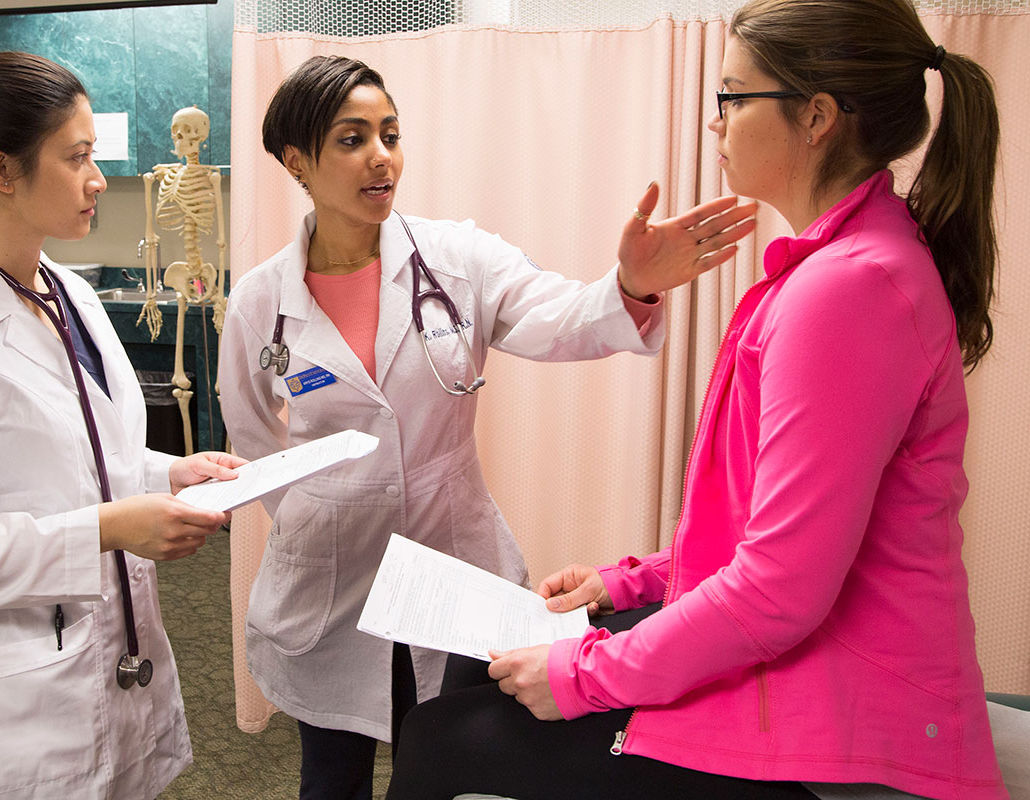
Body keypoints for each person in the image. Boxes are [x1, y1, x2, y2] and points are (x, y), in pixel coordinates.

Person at [387, 0, 1009, 798]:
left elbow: (781, 587)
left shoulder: (849, 290)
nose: (716, 122)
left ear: (815, 116)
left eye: (733, 97)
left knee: (443, 738)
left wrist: (583, 674)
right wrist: (631, 582)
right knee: (483, 664)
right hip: (811, 651)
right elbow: (790, 534)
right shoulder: (848, 264)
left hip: (836, 702)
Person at [218, 55, 755, 800]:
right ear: (297, 162)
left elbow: (558, 317)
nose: (381, 157)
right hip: (328, 574)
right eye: (351, 140)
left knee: (445, 765)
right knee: (330, 776)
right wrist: (319, 511)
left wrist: (631, 285)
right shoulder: (258, 301)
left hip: (451, 565)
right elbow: (250, 433)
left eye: (390, 134)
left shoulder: (458, 259)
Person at [0, 52, 245, 799]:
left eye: (92, 155)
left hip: (116, 660)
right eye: (77, 158)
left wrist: (169, 473)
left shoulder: (67, 292)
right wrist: (107, 527)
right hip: (17, 707)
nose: (97, 178)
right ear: (1, 171)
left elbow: (83, 458)